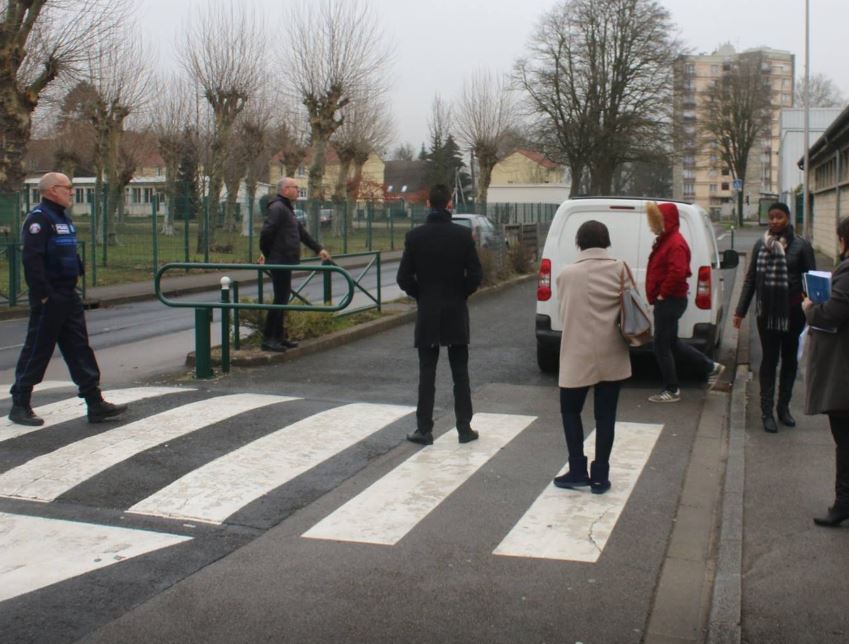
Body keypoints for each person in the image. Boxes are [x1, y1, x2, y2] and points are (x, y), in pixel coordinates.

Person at [8, 172, 127, 426]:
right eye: (68, 188)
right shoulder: (39, 220)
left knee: (79, 348)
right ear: (52, 190)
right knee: (38, 349)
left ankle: (94, 403)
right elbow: (32, 261)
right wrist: (43, 296)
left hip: (68, 294)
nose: (71, 192)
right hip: (50, 296)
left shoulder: (62, 217)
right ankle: (20, 404)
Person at [396, 184, 483, 445]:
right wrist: (461, 293)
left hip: (428, 310)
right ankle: (464, 428)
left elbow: (403, 277)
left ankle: (424, 429)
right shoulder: (463, 235)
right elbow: (476, 275)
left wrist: (421, 294)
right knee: (460, 372)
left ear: (427, 205)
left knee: (427, 372)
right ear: (449, 205)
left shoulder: (415, 237)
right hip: (456, 310)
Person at [553, 221, 632, 494]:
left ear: (579, 243)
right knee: (605, 416)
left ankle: (577, 468)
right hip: (612, 351)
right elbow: (634, 304)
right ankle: (600, 476)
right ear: (606, 241)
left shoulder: (566, 274)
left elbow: (564, 312)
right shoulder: (620, 269)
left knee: (570, 411)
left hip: (577, 351)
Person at [734, 202, 816, 433]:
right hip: (767, 313)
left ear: (788, 218)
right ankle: (766, 411)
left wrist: (814, 309)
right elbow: (751, 280)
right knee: (769, 360)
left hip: (793, 314)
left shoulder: (802, 246)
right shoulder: (762, 244)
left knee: (790, 361)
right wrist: (740, 311)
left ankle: (783, 408)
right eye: (771, 217)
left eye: (779, 217)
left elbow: (811, 279)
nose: (774, 221)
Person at [645, 201, 724, 403]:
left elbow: (677, 272)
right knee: (671, 343)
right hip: (670, 300)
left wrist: (663, 294)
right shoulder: (668, 240)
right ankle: (710, 366)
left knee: (661, 345)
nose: (653, 225)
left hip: (670, 301)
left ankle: (672, 389)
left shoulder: (674, 242)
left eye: (657, 220)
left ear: (666, 221)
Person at [802, 216, 849, 527]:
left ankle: (843, 503)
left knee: (845, 438)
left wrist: (810, 307)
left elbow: (833, 312)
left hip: (843, 368)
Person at [258, 177, 331, 352]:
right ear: (284, 190)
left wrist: (318, 249)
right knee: (280, 299)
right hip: (279, 260)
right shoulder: (278, 208)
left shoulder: (286, 209)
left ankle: (279, 337)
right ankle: (269, 339)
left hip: (284, 259)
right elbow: (267, 233)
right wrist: (268, 255)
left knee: (282, 299)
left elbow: (301, 233)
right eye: (295, 187)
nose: (298, 190)